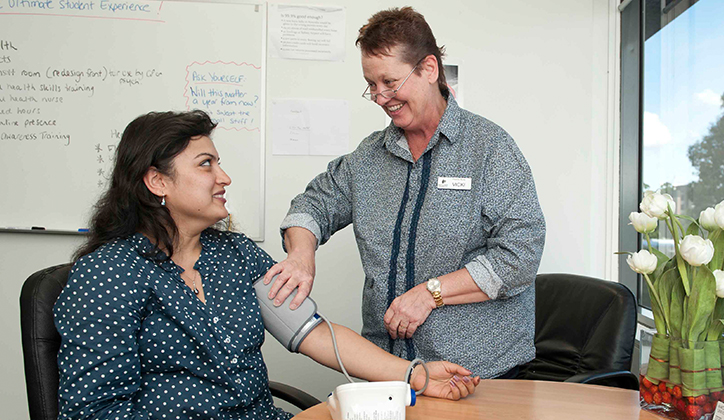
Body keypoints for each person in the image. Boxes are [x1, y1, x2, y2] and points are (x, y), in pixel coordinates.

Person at [53, 110, 480, 420]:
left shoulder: (235, 255)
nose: (224, 177)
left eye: (218, 162)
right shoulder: (105, 275)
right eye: (206, 164)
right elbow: (94, 410)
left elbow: (315, 334)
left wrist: (416, 375)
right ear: (157, 181)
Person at [265, 7, 546, 380]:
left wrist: (431, 293)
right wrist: (301, 254)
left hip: (480, 373)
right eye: (371, 84)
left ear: (429, 69)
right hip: (391, 371)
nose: (381, 97)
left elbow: (521, 256)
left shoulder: (489, 149)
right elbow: (312, 205)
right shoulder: (368, 157)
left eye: (390, 82)